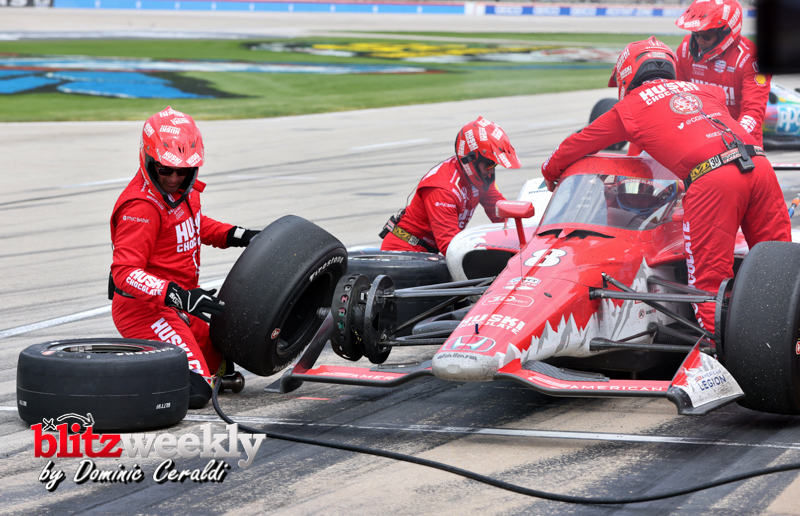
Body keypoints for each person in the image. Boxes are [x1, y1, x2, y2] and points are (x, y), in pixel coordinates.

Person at [541, 37, 791, 336]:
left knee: (707, 284)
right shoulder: (706, 90)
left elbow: (576, 144)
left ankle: (727, 354)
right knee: (782, 267)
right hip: (760, 167)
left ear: (627, 74)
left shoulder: (630, 107)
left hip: (713, 179)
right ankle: (788, 339)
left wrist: (549, 171)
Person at [109, 106, 259, 409]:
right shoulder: (141, 208)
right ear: (148, 159)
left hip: (180, 303)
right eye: (165, 169)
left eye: (184, 171)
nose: (174, 178)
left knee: (226, 362)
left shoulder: (184, 190)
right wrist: (180, 296)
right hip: (145, 309)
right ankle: (108, 374)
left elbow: (194, 224)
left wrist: (241, 235)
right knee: (196, 391)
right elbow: (124, 272)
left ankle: (174, 357)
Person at [380, 117, 521, 256]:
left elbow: (503, 217)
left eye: (494, 165)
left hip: (427, 252)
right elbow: (451, 248)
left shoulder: (480, 179)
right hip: (403, 251)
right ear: (471, 158)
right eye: (489, 164)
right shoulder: (442, 189)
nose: (491, 170)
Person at [675, 0, 770, 146]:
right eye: (695, 34)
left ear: (726, 32)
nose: (700, 41)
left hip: (740, 141)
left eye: (707, 36)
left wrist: (732, 140)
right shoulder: (685, 49)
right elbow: (675, 97)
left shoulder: (751, 58)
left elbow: (752, 113)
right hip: (697, 139)